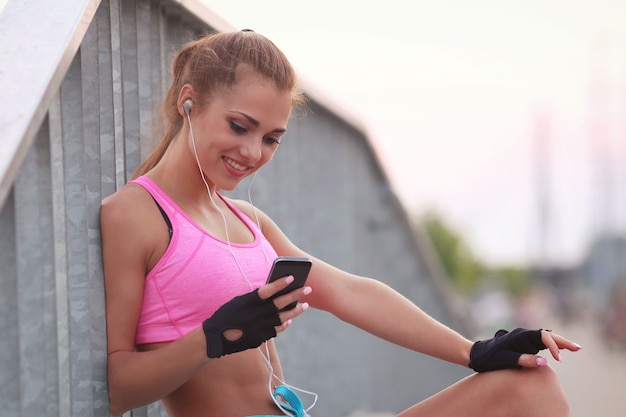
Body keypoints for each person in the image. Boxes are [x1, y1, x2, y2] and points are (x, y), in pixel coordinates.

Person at [100, 30, 582, 417]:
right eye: (239, 126)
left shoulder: (245, 220)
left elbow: (350, 292)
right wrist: (213, 337)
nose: (252, 153)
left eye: (271, 138)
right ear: (189, 103)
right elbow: (120, 388)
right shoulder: (135, 214)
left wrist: (472, 351)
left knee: (532, 388)